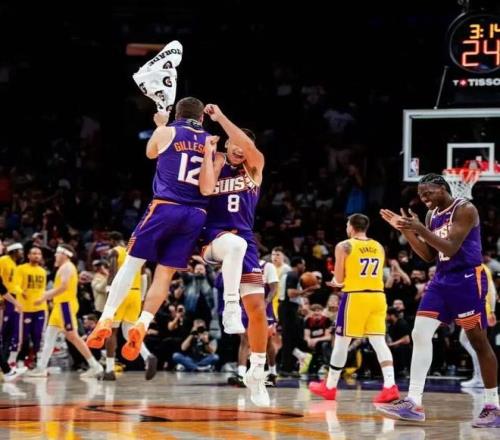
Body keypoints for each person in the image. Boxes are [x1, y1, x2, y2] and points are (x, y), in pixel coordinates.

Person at [86, 97, 218, 361]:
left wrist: (160, 125)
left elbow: (150, 153)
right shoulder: (210, 141)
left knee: (132, 263)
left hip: (166, 206)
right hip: (196, 213)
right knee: (165, 274)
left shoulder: (167, 131)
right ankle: (143, 323)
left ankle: (106, 317)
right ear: (201, 118)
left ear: (177, 114)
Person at [378, 173, 499, 428]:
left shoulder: (465, 209)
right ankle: (413, 402)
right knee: (420, 332)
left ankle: (493, 406)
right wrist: (407, 231)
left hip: (467, 279)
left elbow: (451, 248)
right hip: (441, 281)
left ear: (443, 188)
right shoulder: (431, 216)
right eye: (421, 195)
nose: (424, 198)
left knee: (478, 341)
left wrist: (419, 228)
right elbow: (429, 255)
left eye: (428, 193)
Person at [199, 103, 269, 406]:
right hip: (212, 236)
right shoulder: (215, 159)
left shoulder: (254, 167)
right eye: (235, 144)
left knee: (257, 308)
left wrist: (221, 118)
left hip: (245, 238)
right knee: (234, 245)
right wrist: (210, 155)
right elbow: (204, 190)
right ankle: (229, 307)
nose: (239, 149)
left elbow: (249, 147)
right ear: (227, 144)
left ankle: (257, 371)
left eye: (244, 145)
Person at [309, 214, 400, 403]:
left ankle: (330, 386)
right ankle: (390, 386)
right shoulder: (378, 246)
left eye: (347, 225)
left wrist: (335, 281)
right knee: (379, 342)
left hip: (356, 297)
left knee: (341, 342)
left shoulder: (344, 246)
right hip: (378, 296)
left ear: (351, 226)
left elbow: (339, 279)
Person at [27, 244, 103, 377]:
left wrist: (46, 295)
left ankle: (95, 366)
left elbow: (64, 286)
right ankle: (41, 368)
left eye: (57, 253)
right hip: (60, 306)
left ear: (64, 254)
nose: (55, 255)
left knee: (73, 337)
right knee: (49, 337)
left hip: (65, 306)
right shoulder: (64, 267)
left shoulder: (67, 267)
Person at [101, 232, 158, 381]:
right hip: (136, 294)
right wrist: (142, 298)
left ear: (112, 240)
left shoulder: (115, 252)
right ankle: (147, 356)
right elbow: (144, 276)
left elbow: (112, 274)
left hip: (120, 293)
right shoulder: (138, 251)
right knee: (129, 332)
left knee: (111, 331)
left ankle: (109, 370)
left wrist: (109, 294)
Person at [227, 258, 279, 387]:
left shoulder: (267, 266)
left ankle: (272, 373)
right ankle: (241, 374)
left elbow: (274, 288)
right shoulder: (239, 264)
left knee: (267, 341)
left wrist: (266, 302)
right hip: (246, 307)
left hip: (263, 307)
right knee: (244, 339)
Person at [460, 263, 497, 388]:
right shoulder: (481, 267)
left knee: (477, 345)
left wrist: (491, 311)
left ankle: (479, 378)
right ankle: (478, 377)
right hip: (476, 308)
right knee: (469, 342)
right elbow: (491, 290)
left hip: (478, 308)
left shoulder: (478, 267)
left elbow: (491, 290)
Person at [15, 247, 47, 367]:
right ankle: (20, 359)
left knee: (37, 335)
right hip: (25, 308)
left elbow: (43, 289)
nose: (36, 256)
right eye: (34, 253)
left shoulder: (42, 271)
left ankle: (35, 360)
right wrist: (21, 292)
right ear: (28, 256)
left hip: (40, 308)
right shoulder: (21, 269)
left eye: (39, 254)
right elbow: (15, 285)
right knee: (23, 337)